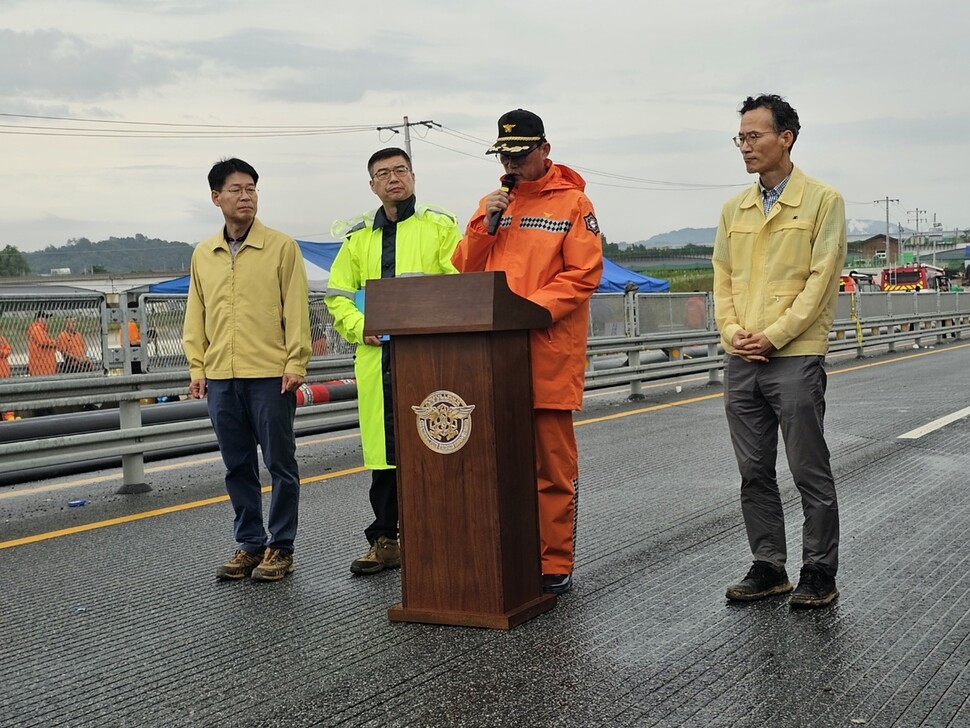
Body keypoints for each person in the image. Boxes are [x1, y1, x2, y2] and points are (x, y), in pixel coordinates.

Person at [452, 109, 603, 595]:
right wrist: (483, 224)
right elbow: (464, 269)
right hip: (492, 359)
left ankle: (554, 562)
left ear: (545, 150)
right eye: (505, 155)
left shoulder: (575, 204)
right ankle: (504, 554)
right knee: (493, 463)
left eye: (521, 154)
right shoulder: (493, 204)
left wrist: (525, 311)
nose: (512, 163)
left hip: (546, 354)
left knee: (551, 468)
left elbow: (583, 276)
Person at [713, 94, 847, 609]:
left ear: (785, 137)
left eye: (754, 136)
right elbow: (722, 280)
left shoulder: (822, 201)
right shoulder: (734, 209)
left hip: (794, 354)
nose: (745, 147)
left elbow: (820, 281)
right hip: (743, 355)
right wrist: (733, 334)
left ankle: (818, 570)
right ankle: (769, 565)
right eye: (740, 138)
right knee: (753, 470)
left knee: (808, 467)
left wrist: (775, 334)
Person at [325, 147, 461, 575]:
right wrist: (359, 326)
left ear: (413, 176)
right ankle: (385, 540)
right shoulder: (357, 238)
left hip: (430, 359)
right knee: (386, 457)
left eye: (400, 170)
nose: (393, 179)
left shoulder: (441, 228)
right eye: (382, 174)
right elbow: (338, 295)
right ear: (372, 185)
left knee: (436, 447)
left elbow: (461, 284)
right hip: (377, 358)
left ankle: (442, 538)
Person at [183, 157, 311, 582]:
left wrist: (296, 361)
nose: (246, 196)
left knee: (280, 464)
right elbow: (195, 313)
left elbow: (296, 308)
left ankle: (281, 546)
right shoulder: (204, 254)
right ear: (216, 197)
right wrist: (197, 366)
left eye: (252, 188)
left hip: (271, 375)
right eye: (236, 189)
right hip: (221, 377)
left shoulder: (280, 246)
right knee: (236, 466)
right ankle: (249, 544)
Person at [27, 311, 57, 376]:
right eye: (45, 318)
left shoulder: (43, 330)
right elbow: (43, 342)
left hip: (45, 366)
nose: (46, 320)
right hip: (41, 367)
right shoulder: (37, 328)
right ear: (39, 318)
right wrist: (53, 342)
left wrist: (51, 343)